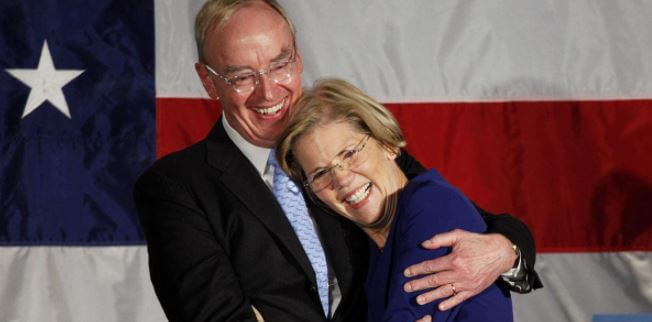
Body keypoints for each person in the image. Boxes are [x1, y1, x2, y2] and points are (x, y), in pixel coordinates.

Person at [133, 0, 541, 321]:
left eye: (280, 64)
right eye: (242, 76)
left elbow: (476, 222)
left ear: (298, 58)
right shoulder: (176, 188)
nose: (268, 91)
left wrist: (505, 252)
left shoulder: (351, 147)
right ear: (207, 81)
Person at [276, 78, 513, 321]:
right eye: (321, 173)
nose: (342, 179)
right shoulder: (374, 252)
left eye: (349, 154)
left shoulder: (432, 205)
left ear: (387, 143)